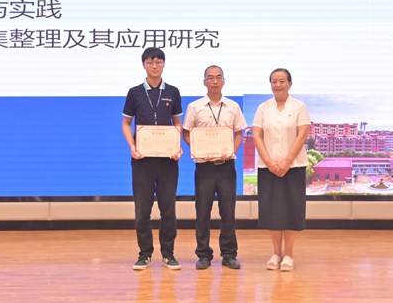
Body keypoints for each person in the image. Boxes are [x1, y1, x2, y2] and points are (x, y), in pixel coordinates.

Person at [122, 47, 183, 270]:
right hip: (142, 160)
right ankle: (144, 254)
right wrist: (132, 146)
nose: (154, 66)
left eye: (158, 62)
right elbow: (126, 123)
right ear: (144, 65)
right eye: (150, 62)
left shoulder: (173, 92)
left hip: (168, 161)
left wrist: (177, 146)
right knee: (142, 211)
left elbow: (177, 123)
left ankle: (168, 254)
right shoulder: (134, 92)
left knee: (168, 210)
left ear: (164, 64)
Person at [182, 65, 247, 270]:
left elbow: (239, 133)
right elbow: (186, 133)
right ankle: (203, 255)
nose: (215, 81)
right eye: (210, 78)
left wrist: (231, 151)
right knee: (202, 212)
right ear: (204, 82)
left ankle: (229, 254)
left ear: (224, 81)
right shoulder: (195, 107)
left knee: (228, 212)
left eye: (219, 77)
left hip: (227, 166)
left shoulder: (233, 106)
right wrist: (199, 149)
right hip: (204, 167)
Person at [252, 68, 311, 272]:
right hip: (268, 168)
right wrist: (269, 162)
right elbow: (257, 136)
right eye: (274, 81)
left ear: (290, 84)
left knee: (291, 210)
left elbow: (302, 135)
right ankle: (276, 253)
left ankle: (289, 255)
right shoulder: (263, 108)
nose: (278, 85)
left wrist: (286, 161)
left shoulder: (299, 106)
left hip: (293, 167)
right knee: (273, 211)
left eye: (282, 81)